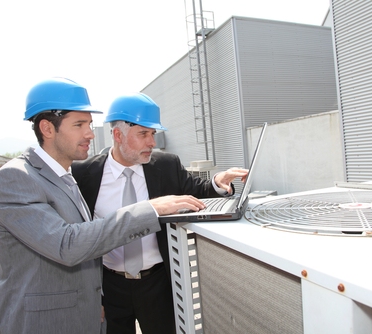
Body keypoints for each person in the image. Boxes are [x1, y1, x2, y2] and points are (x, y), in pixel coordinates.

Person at [0, 78, 206, 334]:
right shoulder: (15, 178)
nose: (90, 133)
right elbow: (67, 244)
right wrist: (151, 209)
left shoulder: (64, 178)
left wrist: (94, 300)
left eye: (89, 124)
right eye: (79, 125)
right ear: (47, 128)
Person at [72, 92, 248, 334]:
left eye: (153, 134)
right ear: (117, 135)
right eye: (143, 134)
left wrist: (218, 181)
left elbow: (197, 191)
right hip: (108, 286)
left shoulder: (166, 166)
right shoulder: (83, 175)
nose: (152, 142)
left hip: (158, 285)